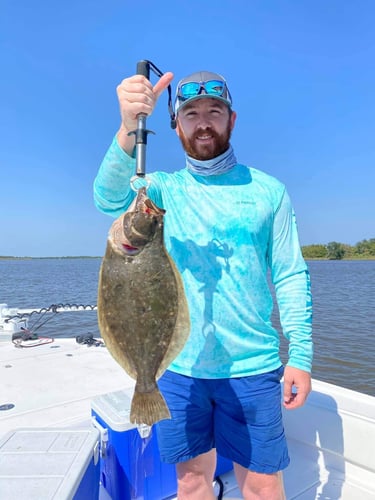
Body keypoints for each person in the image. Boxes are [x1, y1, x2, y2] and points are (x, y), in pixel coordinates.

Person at [94, 69, 313, 500]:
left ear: (232, 120)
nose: (204, 121)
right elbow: (108, 198)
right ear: (176, 125)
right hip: (177, 369)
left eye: (215, 111)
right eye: (191, 113)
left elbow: (289, 272)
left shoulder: (269, 191)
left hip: (253, 367)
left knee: (263, 486)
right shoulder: (160, 190)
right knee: (191, 482)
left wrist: (301, 354)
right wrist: (126, 126)